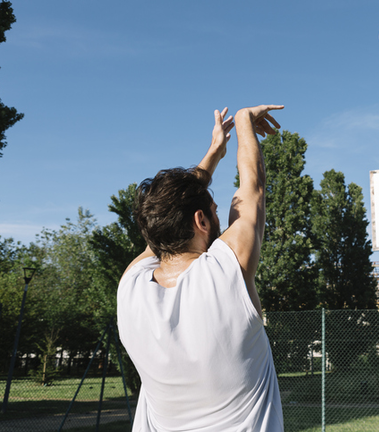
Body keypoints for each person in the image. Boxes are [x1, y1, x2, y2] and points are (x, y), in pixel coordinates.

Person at [117, 105, 286, 432]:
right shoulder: (225, 272)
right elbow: (254, 184)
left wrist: (213, 153)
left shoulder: (130, 287)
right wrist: (242, 120)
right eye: (214, 208)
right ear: (201, 221)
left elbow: (160, 220)